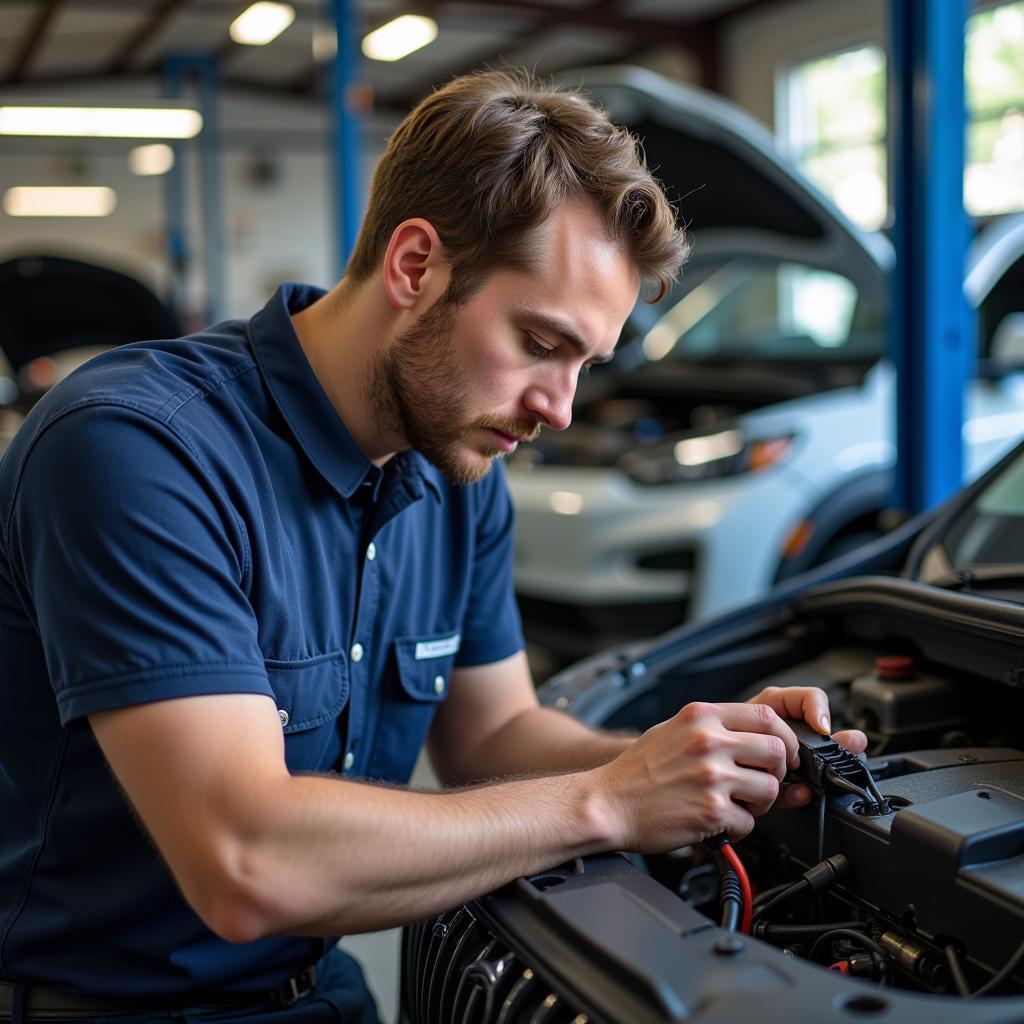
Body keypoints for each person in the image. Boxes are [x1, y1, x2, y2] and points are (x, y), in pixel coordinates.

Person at [0, 69, 865, 1023]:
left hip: (321, 991)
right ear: (416, 266)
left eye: (584, 363)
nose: (560, 406)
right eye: (541, 342)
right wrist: (610, 802)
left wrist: (683, 767)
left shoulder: (459, 478)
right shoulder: (137, 449)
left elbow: (493, 739)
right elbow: (247, 861)